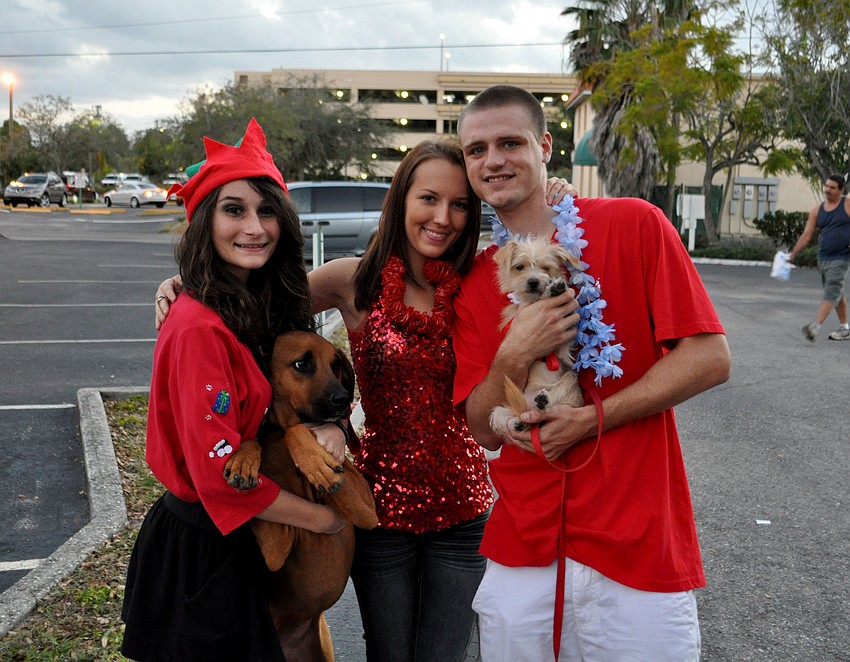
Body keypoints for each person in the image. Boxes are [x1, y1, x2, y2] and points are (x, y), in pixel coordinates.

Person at [154, 139, 575, 661]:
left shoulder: (484, 279)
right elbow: (254, 315)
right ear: (400, 200)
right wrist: (186, 285)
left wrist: (558, 197)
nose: (442, 217)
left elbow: (553, 258)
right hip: (382, 511)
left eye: (460, 203)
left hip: (464, 511)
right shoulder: (352, 280)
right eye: (427, 198)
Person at [451, 84, 732, 661]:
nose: (493, 159)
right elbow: (481, 429)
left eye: (510, 142)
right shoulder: (478, 280)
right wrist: (514, 354)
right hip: (523, 545)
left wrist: (591, 419)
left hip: (635, 537)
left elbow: (710, 357)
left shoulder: (635, 224)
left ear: (546, 146)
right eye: (476, 150)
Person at [121, 118, 346, 662]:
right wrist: (322, 519)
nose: (255, 227)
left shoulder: (252, 305)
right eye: (234, 209)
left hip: (240, 538)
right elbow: (219, 477)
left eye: (267, 210)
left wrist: (330, 424)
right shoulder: (199, 325)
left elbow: (288, 395)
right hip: (203, 551)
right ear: (204, 221)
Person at [788, 173, 850, 342]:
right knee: (837, 292)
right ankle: (845, 328)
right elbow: (807, 235)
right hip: (823, 258)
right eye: (826, 186)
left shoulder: (847, 204)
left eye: (832, 187)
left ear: (841, 190)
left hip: (842, 257)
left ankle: (815, 327)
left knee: (832, 292)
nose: (827, 190)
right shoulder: (817, 210)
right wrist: (792, 255)